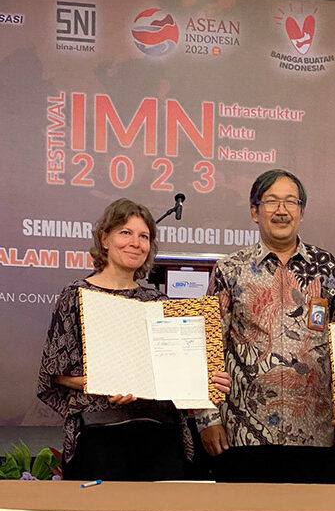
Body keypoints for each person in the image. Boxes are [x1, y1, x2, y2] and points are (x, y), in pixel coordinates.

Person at [38, 197, 230, 481]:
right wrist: (111, 383)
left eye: (144, 237)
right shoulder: (77, 295)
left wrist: (207, 381)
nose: (136, 243)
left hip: (160, 435)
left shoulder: (159, 302)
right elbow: (57, 374)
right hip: (101, 435)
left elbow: (176, 371)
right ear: (105, 239)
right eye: (125, 233)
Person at [198, 169, 335, 482]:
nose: (282, 210)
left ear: (302, 211)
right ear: (254, 211)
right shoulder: (231, 269)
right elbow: (209, 347)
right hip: (245, 432)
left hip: (316, 431)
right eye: (271, 201)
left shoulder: (326, 266)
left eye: (290, 201)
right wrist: (208, 419)